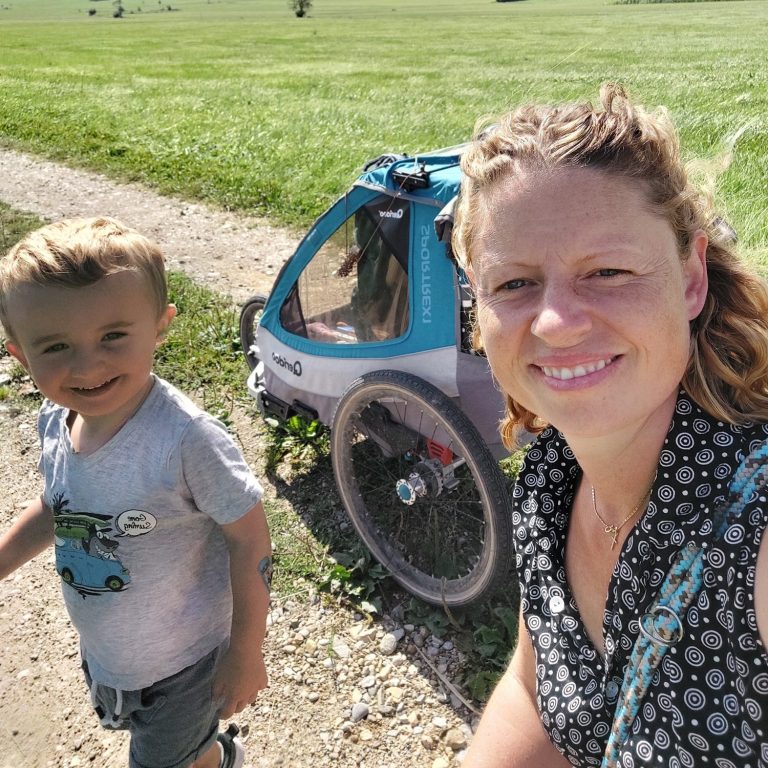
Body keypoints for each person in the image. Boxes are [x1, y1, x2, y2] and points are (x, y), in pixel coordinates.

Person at [453, 84, 768, 767]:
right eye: (513, 284)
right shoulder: (550, 481)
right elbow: (533, 694)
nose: (556, 322)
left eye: (608, 271)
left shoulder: (757, 531)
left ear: (691, 279)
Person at [0, 217, 272, 768]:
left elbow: (250, 540)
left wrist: (246, 651)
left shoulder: (186, 440)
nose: (87, 365)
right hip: (113, 653)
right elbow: (57, 507)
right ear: (21, 355)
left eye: (113, 336)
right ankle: (215, 756)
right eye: (55, 346)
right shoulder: (55, 419)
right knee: (176, 748)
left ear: (159, 326)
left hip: (186, 663)